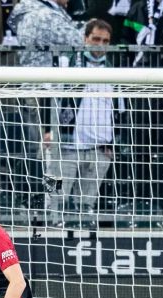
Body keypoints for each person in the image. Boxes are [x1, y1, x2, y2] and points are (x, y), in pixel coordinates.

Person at [48, 19, 123, 226]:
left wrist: (113, 142)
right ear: (85, 38)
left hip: (100, 148)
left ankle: (84, 242)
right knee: (56, 198)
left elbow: (120, 111)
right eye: (95, 39)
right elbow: (47, 99)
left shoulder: (114, 72)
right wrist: (48, 130)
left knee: (86, 204)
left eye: (105, 41)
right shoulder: (65, 63)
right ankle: (52, 234)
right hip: (66, 144)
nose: (100, 44)